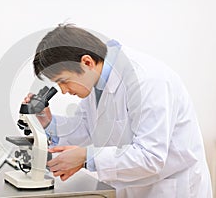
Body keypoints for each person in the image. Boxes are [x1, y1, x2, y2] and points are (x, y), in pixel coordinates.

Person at [23, 24, 213, 197]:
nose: (63, 90)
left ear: (87, 62)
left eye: (63, 81)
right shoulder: (95, 82)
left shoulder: (147, 80)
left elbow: (151, 157)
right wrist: (49, 122)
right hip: (132, 188)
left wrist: (86, 158)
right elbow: (88, 128)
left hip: (171, 189)